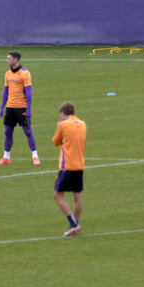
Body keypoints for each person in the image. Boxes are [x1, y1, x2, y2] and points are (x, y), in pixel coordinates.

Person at [0, 51, 40, 165]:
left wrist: (28, 110)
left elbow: (29, 93)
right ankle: (6, 157)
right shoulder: (7, 74)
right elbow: (5, 92)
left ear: (15, 60)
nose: (7, 60)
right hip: (10, 108)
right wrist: (2, 107)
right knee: (8, 132)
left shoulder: (25, 74)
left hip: (22, 108)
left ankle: (35, 156)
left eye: (9, 58)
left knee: (28, 131)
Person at [52, 101, 86, 237]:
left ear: (63, 113)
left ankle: (73, 224)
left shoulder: (63, 124)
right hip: (80, 165)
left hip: (67, 166)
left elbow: (55, 142)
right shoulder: (83, 124)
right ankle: (75, 224)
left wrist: (59, 126)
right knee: (77, 196)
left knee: (58, 195)